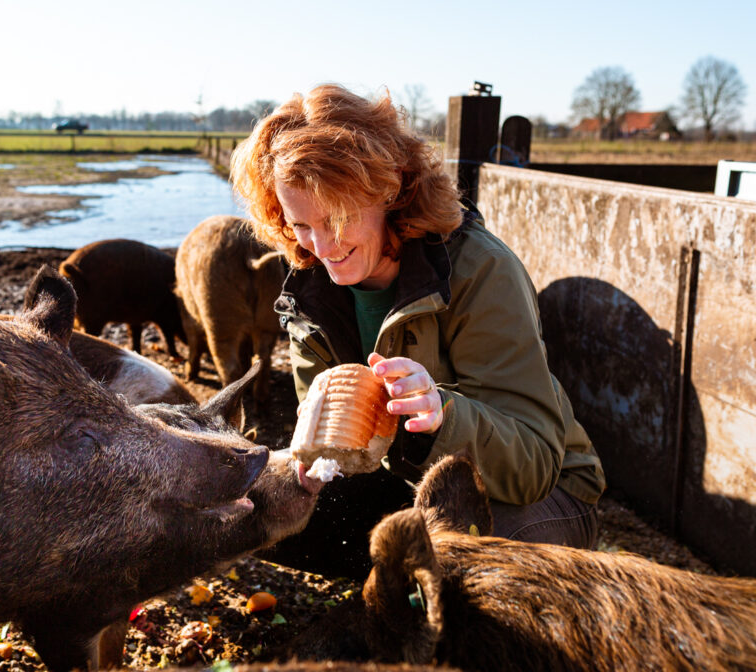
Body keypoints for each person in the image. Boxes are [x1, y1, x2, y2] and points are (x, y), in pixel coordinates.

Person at [229, 83, 606, 579]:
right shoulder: (310, 289)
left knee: (458, 562)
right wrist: (314, 460)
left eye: (338, 218)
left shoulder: (479, 270)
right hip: (402, 480)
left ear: (388, 189)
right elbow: (330, 440)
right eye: (301, 224)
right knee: (249, 517)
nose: (321, 245)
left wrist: (439, 414)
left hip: (542, 491)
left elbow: (534, 463)